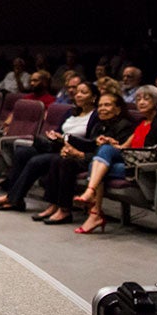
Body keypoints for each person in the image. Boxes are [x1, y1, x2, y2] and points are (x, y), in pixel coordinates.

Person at [73, 85, 157, 234]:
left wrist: (114, 149)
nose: (141, 102)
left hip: (147, 169)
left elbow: (150, 154)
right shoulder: (141, 123)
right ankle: (94, 208)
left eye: (146, 99)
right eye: (138, 99)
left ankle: (94, 207)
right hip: (133, 162)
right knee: (102, 154)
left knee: (96, 166)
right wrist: (111, 142)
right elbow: (124, 147)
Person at [0, 80, 98, 215]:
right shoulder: (71, 112)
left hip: (70, 151)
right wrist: (54, 135)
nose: (78, 95)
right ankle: (15, 198)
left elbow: (90, 142)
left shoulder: (95, 116)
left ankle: (12, 199)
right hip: (56, 145)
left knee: (37, 161)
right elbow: (59, 129)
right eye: (77, 92)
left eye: (83, 92)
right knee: (22, 153)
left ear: (93, 97)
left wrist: (65, 140)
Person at [37, 81, 133, 228]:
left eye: (107, 105)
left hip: (106, 164)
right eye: (100, 106)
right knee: (58, 158)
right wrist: (67, 147)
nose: (102, 109)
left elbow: (109, 155)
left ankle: (65, 210)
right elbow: (91, 145)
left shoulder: (124, 126)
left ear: (118, 109)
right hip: (91, 159)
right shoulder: (99, 125)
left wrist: (79, 154)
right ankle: (53, 205)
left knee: (66, 162)